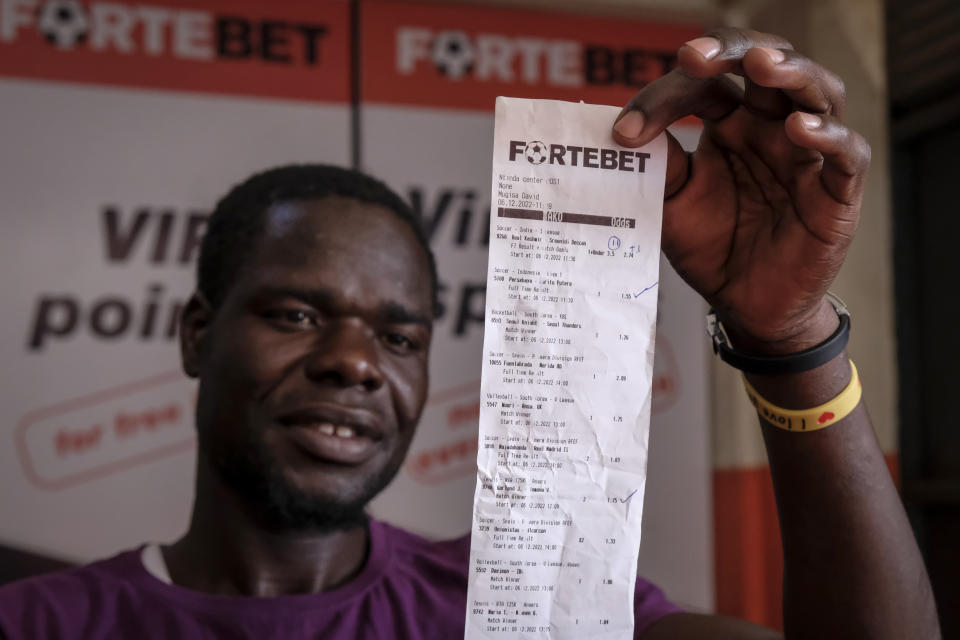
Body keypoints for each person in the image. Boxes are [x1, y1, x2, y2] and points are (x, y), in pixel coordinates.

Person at [0, 28, 940, 639]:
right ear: (198, 335)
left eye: (401, 337)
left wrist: (787, 337)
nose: (355, 364)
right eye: (296, 315)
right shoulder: (38, 622)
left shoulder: (520, 619)